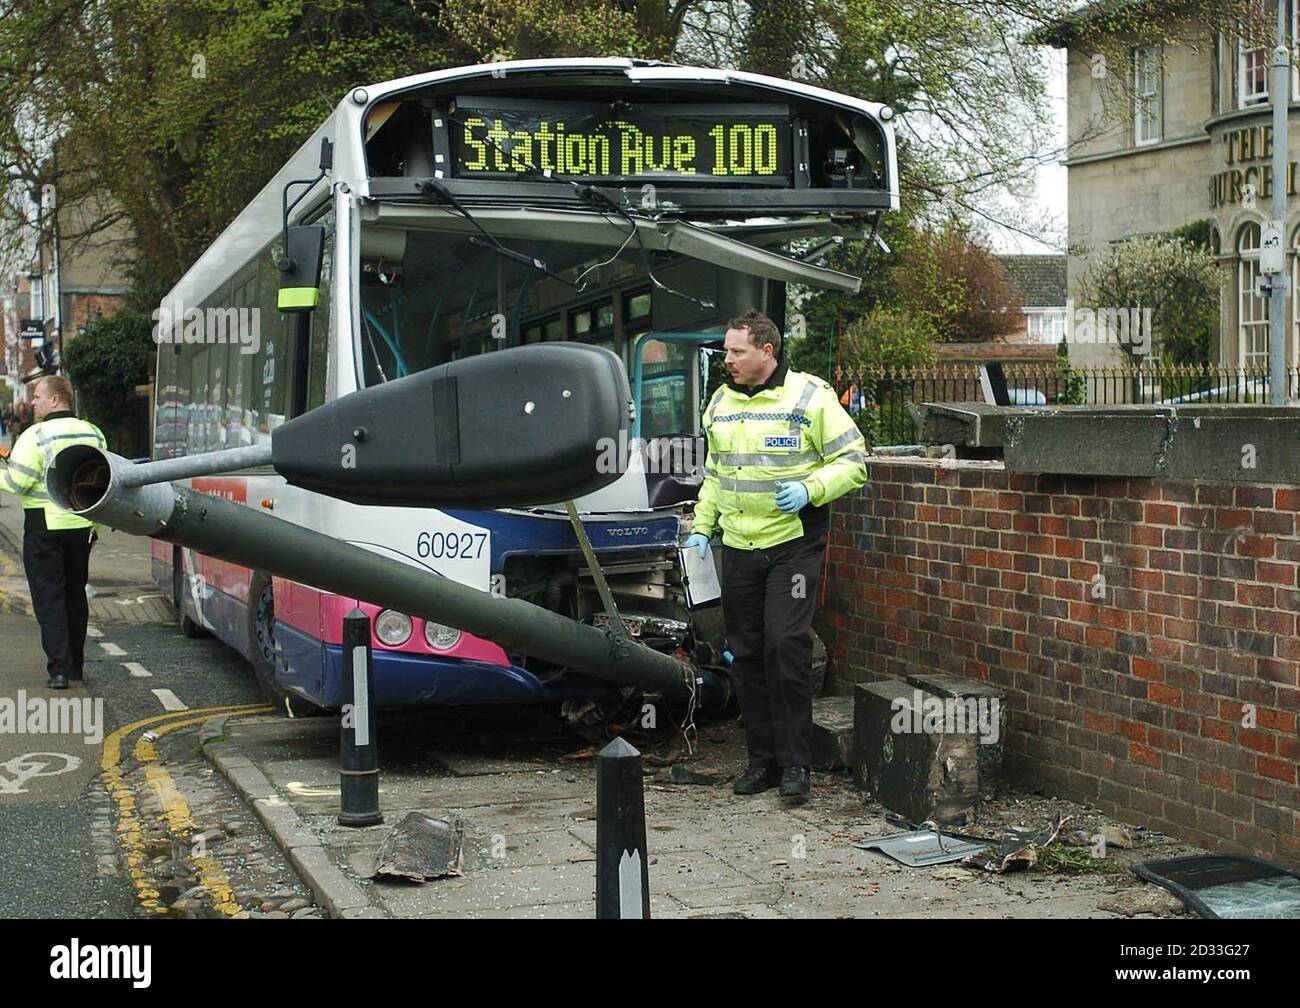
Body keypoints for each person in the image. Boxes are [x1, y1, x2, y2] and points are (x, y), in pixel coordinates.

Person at [686, 310, 867, 802]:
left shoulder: (810, 398)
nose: (727, 360)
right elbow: (717, 476)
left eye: (736, 351)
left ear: (767, 352)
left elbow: (854, 463)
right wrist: (703, 528)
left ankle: (795, 765)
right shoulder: (720, 403)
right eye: (726, 351)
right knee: (744, 653)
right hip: (739, 546)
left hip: (792, 545)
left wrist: (810, 489)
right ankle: (761, 762)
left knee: (785, 645)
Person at [0, 376, 106, 689]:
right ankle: (76, 666)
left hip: (43, 526)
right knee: (76, 595)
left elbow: (18, 483)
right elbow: (103, 485)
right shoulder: (94, 433)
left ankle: (59, 670)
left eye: (38, 397)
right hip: (83, 526)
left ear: (55, 400)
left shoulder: (37, 435)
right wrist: (95, 528)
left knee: (50, 598)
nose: (33, 402)